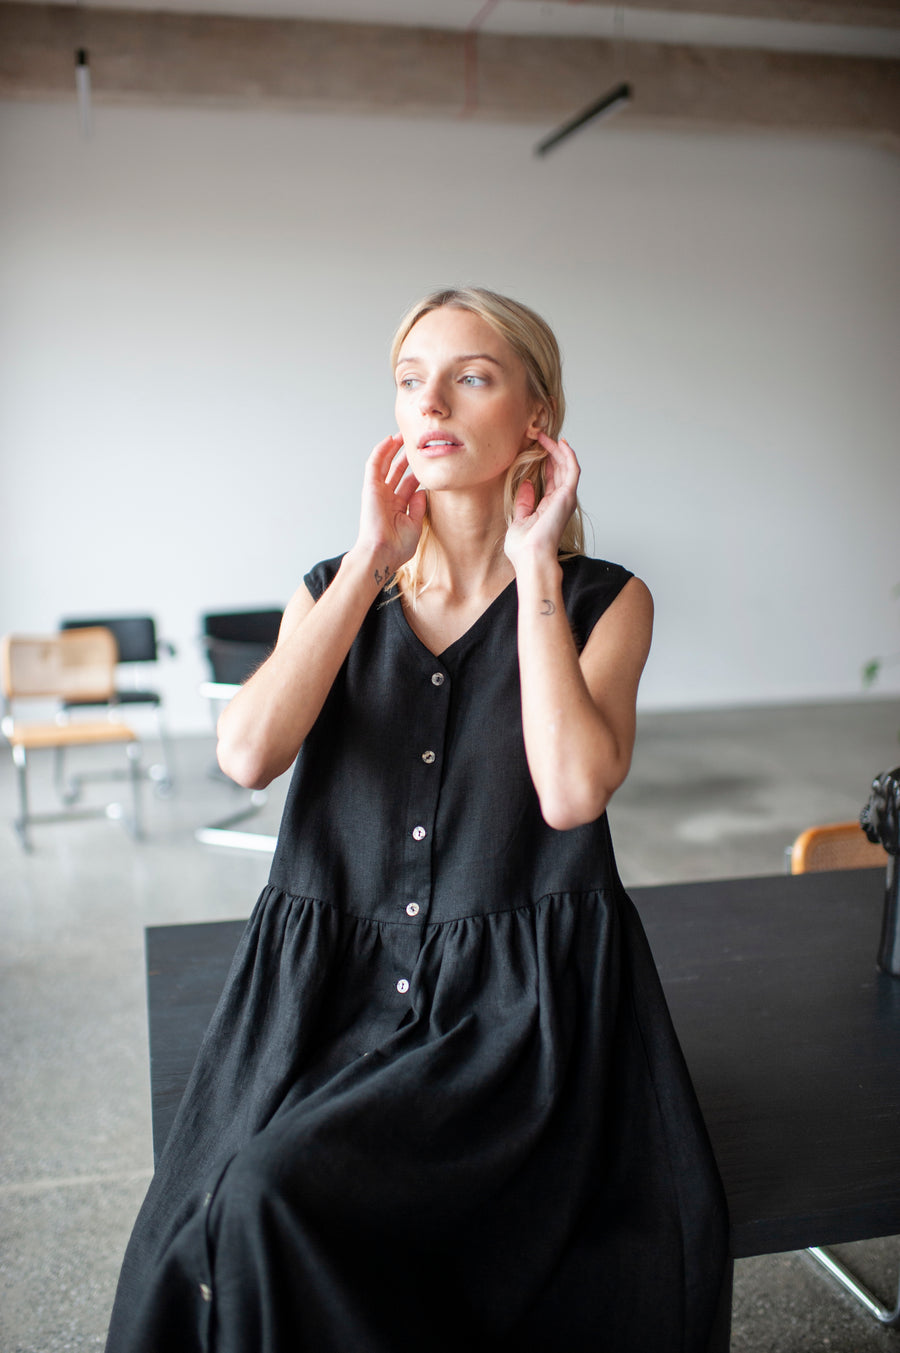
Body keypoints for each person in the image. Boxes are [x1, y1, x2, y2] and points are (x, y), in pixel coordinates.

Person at [105, 287, 728, 1353]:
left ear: (536, 416)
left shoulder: (603, 601)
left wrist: (534, 567)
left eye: (470, 377)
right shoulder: (335, 588)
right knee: (212, 1224)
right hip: (322, 996)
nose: (429, 403)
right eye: (409, 380)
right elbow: (247, 755)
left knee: (269, 1198)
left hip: (513, 1020)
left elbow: (572, 791)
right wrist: (368, 563)